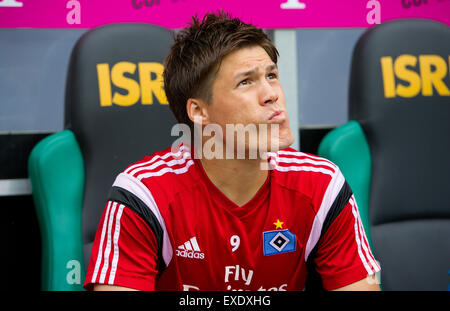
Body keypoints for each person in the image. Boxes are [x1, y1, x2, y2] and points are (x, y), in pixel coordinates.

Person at [83, 11, 381, 291]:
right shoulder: (143, 195)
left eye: (272, 75)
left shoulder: (322, 185)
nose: (271, 94)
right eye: (246, 81)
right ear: (199, 112)